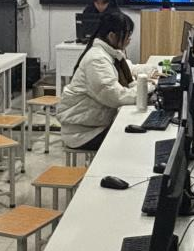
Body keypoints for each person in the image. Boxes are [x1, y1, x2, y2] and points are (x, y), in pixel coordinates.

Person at [57, 10, 151, 151]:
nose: (129, 40)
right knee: (136, 142)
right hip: (83, 133)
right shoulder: (97, 60)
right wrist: (147, 89)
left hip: (96, 123)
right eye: (127, 35)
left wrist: (152, 71)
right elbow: (115, 96)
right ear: (112, 36)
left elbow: (129, 68)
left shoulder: (109, 53)